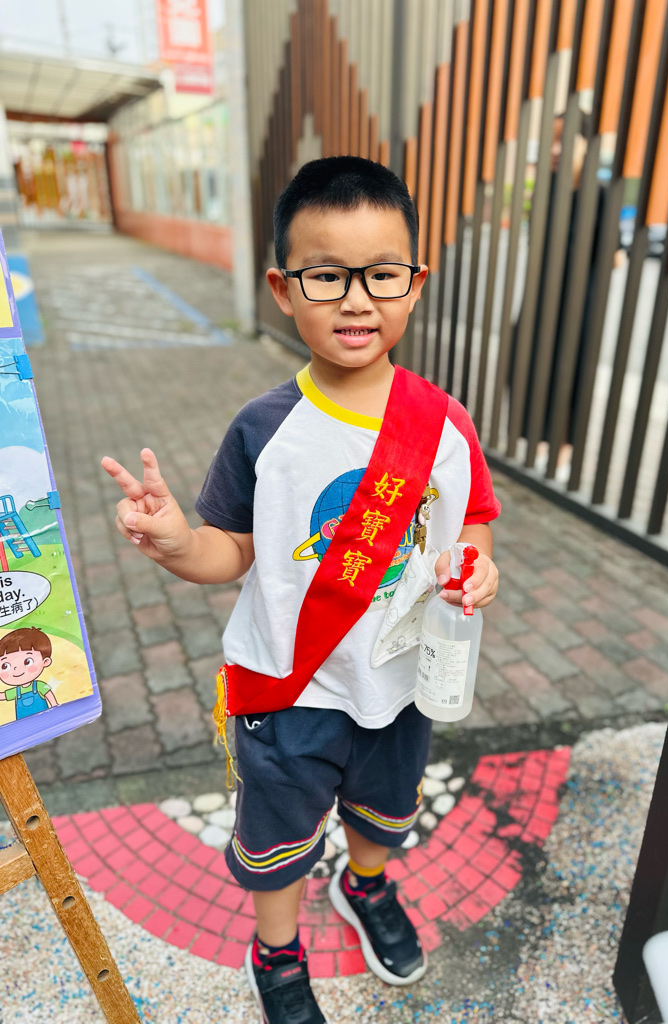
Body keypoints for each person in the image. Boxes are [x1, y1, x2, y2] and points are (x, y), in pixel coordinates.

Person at [102, 156, 501, 1024]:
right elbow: (231, 551)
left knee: (383, 810)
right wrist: (177, 543)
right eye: (326, 276)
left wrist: (477, 563)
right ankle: (277, 950)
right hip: (289, 689)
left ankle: (366, 886)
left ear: (415, 283)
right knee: (279, 838)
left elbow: (472, 519)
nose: (356, 300)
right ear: (284, 290)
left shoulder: (444, 423)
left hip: (398, 680)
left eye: (381, 274)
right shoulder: (263, 427)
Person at [0, 626, 58, 719]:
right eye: (5, 666)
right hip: (24, 724)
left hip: (45, 719)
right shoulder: (15, 691)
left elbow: (49, 694)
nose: (16, 669)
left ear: (45, 662)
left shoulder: (40, 685)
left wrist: (55, 707)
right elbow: (2, 696)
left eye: (27, 661)